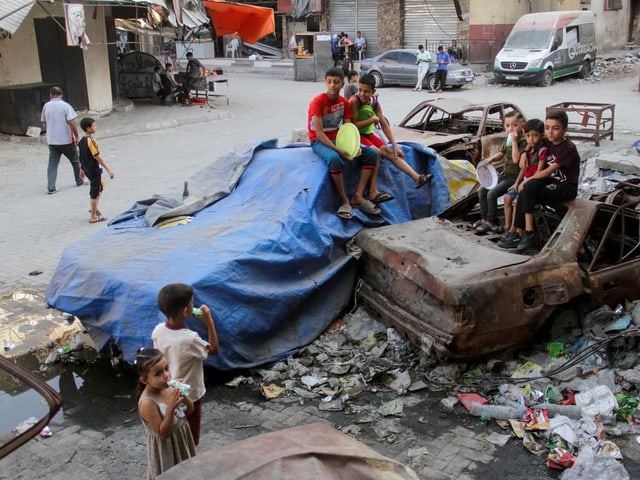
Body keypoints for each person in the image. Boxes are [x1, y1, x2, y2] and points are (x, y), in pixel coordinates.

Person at [308, 67, 381, 220]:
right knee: (335, 159)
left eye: (336, 82)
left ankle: (358, 196)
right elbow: (319, 134)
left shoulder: (344, 103)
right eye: (329, 82)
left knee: (372, 154)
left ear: (343, 84)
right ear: (325, 83)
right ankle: (344, 200)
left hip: (338, 138)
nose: (332, 85)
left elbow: (349, 129)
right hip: (319, 141)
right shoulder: (318, 102)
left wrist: (355, 147)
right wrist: (340, 150)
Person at [500, 110, 580, 250]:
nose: (550, 132)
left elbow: (548, 171)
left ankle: (528, 232)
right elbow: (531, 144)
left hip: (565, 187)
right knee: (525, 191)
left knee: (527, 189)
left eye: (555, 128)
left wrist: (525, 181)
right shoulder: (547, 141)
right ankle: (519, 232)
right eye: (547, 128)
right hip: (549, 181)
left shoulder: (568, 148)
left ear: (564, 129)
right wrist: (524, 153)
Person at [152, 283, 219, 446]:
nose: (193, 305)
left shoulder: (158, 330)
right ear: (186, 311)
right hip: (190, 396)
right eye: (191, 303)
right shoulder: (190, 339)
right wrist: (209, 321)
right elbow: (214, 349)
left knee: (174, 431)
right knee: (189, 437)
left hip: (167, 391)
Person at [350, 73, 432, 203]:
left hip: (367, 133)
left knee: (388, 151)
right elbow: (352, 126)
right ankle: (372, 191)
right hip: (355, 135)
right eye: (360, 90)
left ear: (373, 91)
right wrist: (371, 120)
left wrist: (394, 145)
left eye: (366, 91)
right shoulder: (354, 101)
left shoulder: (375, 104)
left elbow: (384, 125)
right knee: (376, 153)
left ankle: (416, 178)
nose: (362, 94)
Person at [136, 348, 196, 480]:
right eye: (158, 373)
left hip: (181, 438)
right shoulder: (148, 403)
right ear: (145, 380)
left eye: (167, 368)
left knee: (186, 472)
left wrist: (183, 393)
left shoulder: (168, 388)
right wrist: (170, 409)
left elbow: (190, 410)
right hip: (166, 448)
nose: (166, 375)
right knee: (170, 475)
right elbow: (163, 433)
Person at [473, 111, 526, 234]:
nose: (511, 128)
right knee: (482, 190)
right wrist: (491, 159)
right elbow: (501, 153)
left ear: (522, 125)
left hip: (515, 177)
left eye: (514, 125)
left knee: (492, 194)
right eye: (507, 126)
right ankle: (484, 218)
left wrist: (514, 142)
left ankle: (492, 221)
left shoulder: (522, 140)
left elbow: (516, 159)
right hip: (505, 174)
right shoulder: (508, 139)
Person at [498, 119, 547, 246]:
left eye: (535, 136)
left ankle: (518, 232)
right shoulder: (528, 151)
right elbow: (523, 169)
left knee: (517, 201)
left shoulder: (542, 151)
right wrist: (517, 183)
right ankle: (509, 227)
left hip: (532, 184)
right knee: (508, 198)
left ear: (542, 136)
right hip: (523, 182)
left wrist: (523, 184)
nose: (531, 139)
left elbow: (539, 173)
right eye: (529, 136)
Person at [41, 86, 84, 194]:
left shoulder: (46, 106)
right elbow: (71, 122)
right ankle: (79, 180)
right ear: (61, 95)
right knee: (75, 161)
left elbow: (44, 121)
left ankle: (51, 187)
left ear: (51, 95)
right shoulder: (65, 106)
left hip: (52, 140)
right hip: (66, 139)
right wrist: (76, 135)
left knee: (53, 164)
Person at [78, 117, 115, 224]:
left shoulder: (81, 140)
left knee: (100, 185)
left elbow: (81, 156)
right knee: (95, 191)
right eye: (94, 126)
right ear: (88, 128)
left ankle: (95, 208)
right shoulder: (91, 141)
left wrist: (81, 168)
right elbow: (96, 156)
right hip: (93, 168)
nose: (95, 127)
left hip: (86, 167)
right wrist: (108, 169)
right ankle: (93, 216)